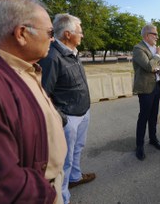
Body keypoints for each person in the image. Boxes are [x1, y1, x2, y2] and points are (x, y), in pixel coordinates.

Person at [0, 0, 67, 203]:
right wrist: (48, 193)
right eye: (50, 31)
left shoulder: (18, 68)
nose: (53, 38)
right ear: (21, 34)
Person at [39, 13, 94, 204]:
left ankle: (75, 178)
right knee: (64, 160)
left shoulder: (73, 52)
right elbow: (43, 94)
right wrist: (62, 118)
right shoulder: (52, 57)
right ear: (68, 34)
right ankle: (63, 198)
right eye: (80, 32)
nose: (82, 35)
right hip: (68, 118)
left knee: (78, 149)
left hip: (83, 111)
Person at [132, 24, 160, 161]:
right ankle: (139, 145)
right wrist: (157, 55)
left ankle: (153, 139)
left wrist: (157, 68)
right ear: (147, 35)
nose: (157, 37)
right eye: (155, 34)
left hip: (157, 85)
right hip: (146, 88)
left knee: (154, 115)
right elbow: (148, 66)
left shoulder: (155, 49)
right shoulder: (138, 48)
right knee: (144, 116)